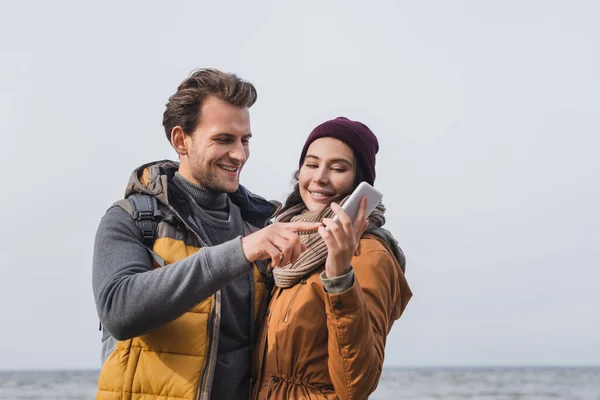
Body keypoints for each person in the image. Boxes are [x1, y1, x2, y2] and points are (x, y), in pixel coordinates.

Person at [92, 68, 320, 400]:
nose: (240, 155)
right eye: (224, 139)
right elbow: (120, 312)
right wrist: (239, 252)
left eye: (245, 140)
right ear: (180, 140)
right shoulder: (130, 218)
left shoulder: (262, 225)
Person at [252, 117, 413, 400]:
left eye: (338, 168)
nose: (320, 178)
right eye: (312, 164)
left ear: (359, 182)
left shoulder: (370, 254)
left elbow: (357, 386)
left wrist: (340, 277)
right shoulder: (285, 238)